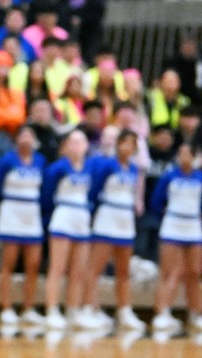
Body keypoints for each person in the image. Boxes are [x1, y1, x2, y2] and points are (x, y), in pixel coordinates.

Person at [80, 129, 141, 333]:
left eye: (132, 144)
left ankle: (124, 311)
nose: (127, 147)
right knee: (95, 268)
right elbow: (95, 189)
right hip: (107, 217)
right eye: (124, 142)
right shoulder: (107, 165)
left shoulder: (133, 169)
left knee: (123, 270)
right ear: (117, 145)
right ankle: (88, 309)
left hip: (125, 220)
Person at [0, 125, 46, 327]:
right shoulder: (7, 160)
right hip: (11, 212)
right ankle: (6, 308)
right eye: (23, 134)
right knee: (9, 263)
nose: (26, 138)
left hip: (32, 215)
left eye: (30, 134)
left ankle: (29, 308)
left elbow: (45, 189)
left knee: (33, 264)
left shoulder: (40, 161)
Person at [40, 129, 93, 331]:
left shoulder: (89, 168)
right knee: (57, 267)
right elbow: (47, 194)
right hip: (63, 215)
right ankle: (52, 310)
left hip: (82, 217)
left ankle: (73, 310)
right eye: (73, 142)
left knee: (78, 270)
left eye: (81, 142)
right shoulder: (57, 168)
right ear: (65, 146)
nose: (77, 146)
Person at [149, 142, 202, 335]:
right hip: (172, 226)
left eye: (188, 154)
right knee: (170, 271)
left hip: (194, 228)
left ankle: (196, 314)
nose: (184, 158)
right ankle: (162, 312)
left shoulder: (200, 177)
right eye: (181, 154)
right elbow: (155, 201)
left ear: (195, 157)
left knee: (195, 272)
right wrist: (165, 216)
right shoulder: (169, 176)